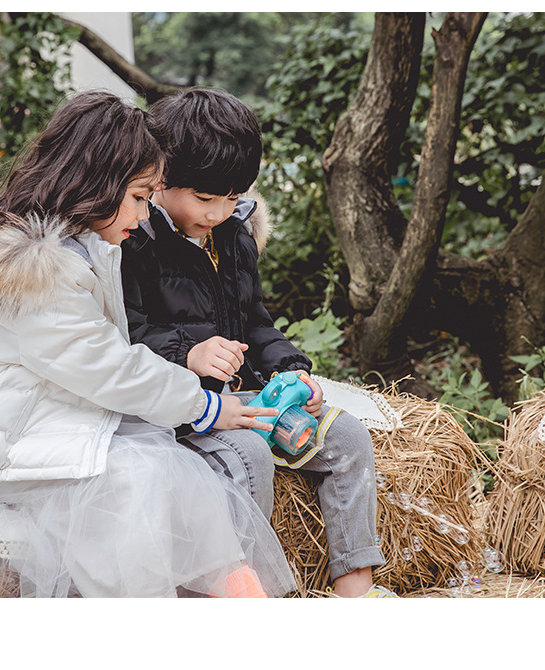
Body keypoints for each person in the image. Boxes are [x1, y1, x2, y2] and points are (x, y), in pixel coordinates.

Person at [0, 90, 296, 598]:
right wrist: (204, 405)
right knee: (143, 480)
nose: (147, 213)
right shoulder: (40, 268)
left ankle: (234, 588)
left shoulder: (89, 242)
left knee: (175, 470)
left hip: (53, 411)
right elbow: (105, 365)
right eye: (138, 196)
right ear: (97, 184)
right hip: (3, 436)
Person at [121, 88, 396, 598]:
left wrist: (290, 367)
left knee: (349, 438)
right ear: (160, 180)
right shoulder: (134, 240)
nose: (220, 211)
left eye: (231, 197)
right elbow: (127, 338)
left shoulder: (233, 235)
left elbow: (256, 322)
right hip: (182, 411)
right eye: (205, 199)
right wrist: (190, 354)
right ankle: (247, 590)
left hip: (248, 399)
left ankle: (355, 586)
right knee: (250, 455)